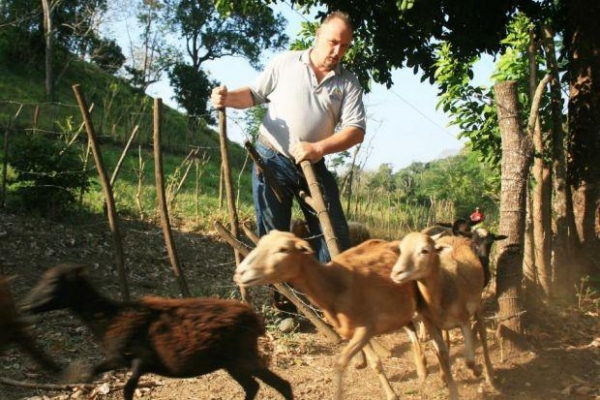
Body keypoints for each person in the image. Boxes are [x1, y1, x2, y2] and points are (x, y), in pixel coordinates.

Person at [211, 10, 366, 263]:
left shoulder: (348, 83)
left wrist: (317, 148)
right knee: (274, 237)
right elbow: (253, 94)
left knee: (334, 234)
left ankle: (323, 294)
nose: (337, 51)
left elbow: (355, 131)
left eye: (345, 46)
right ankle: (281, 297)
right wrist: (227, 98)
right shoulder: (286, 62)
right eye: (333, 42)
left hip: (313, 165)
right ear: (318, 35)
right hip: (271, 159)